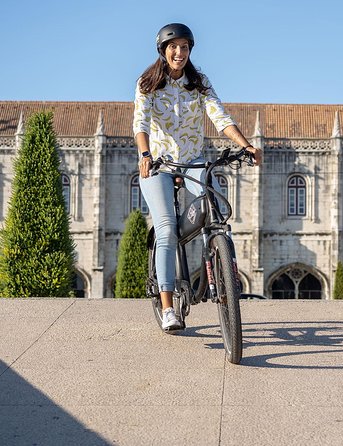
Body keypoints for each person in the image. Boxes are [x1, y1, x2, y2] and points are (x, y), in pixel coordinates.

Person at [133, 23, 261, 330]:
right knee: (166, 230)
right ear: (163, 51)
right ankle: (167, 308)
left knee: (216, 213)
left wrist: (246, 145)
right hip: (159, 165)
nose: (179, 53)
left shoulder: (199, 82)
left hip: (193, 162)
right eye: (173, 47)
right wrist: (145, 154)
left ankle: (223, 272)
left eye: (185, 47)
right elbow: (141, 122)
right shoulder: (148, 83)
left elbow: (219, 116)